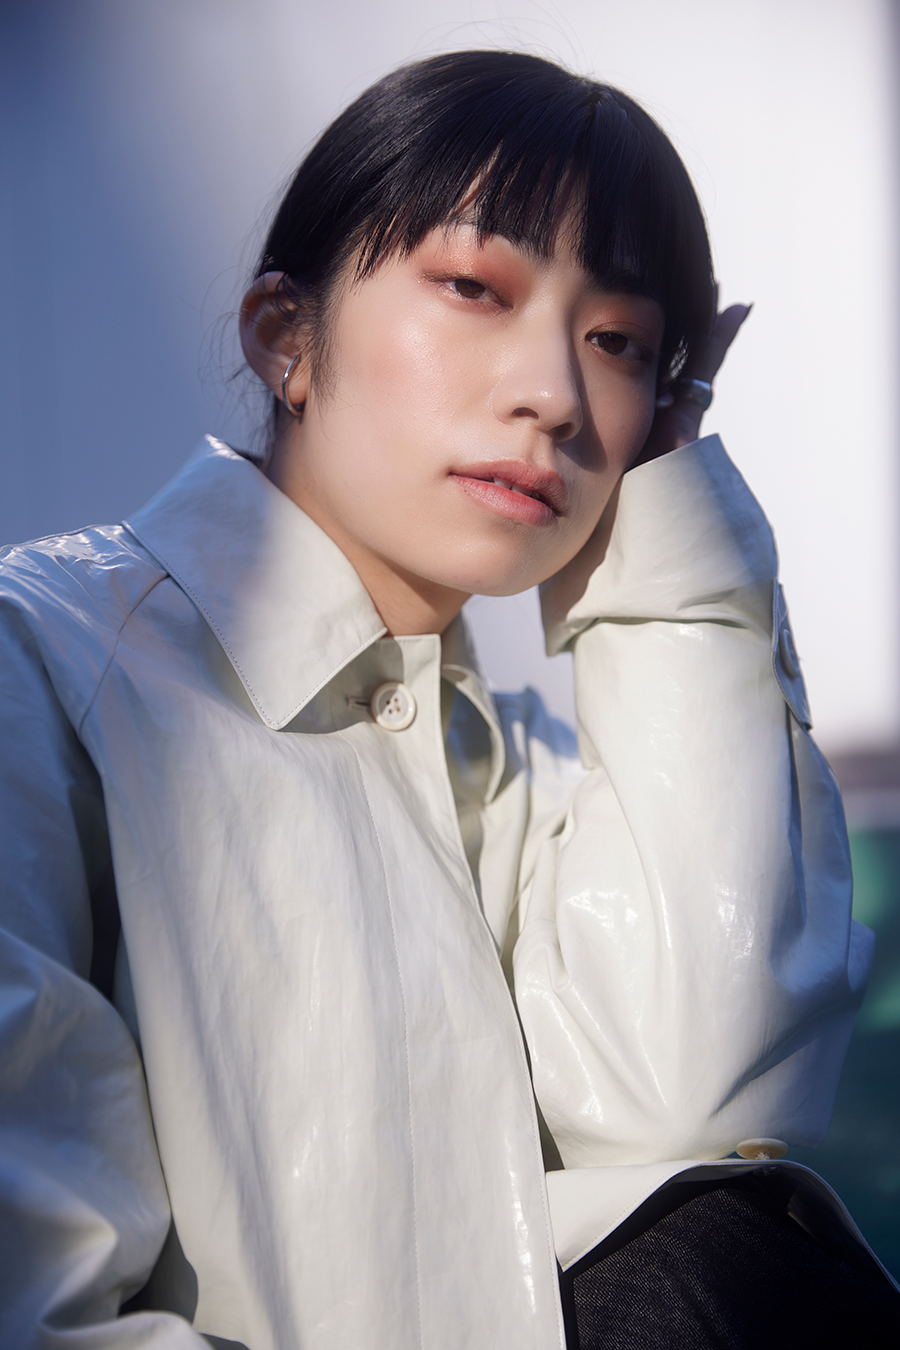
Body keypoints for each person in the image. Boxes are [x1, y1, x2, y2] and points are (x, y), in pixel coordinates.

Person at [0, 49, 896, 1350]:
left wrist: (673, 520)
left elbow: (693, 1093)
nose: (555, 396)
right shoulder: (40, 662)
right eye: (476, 288)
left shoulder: (522, 779)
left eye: (619, 344)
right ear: (287, 335)